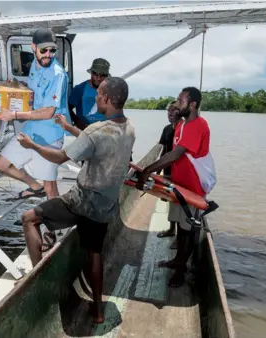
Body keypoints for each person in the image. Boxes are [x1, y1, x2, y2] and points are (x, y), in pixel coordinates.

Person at [17, 77, 136, 324]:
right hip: (105, 207)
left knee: (28, 219)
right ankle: (99, 311)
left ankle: (40, 279)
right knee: (95, 254)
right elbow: (95, 140)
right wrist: (68, 127)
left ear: (107, 99)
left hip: (81, 202)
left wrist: (32, 145)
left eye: (99, 94)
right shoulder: (129, 129)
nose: (95, 97)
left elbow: (61, 157)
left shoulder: (98, 131)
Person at [0, 28, 71, 251]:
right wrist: (17, 88)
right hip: (30, 129)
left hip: (49, 135)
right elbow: (34, 94)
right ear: (33, 48)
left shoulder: (57, 73)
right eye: (44, 50)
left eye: (52, 50)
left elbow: (48, 111)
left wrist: (14, 115)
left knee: (51, 188)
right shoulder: (35, 66)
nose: (48, 54)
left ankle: (52, 232)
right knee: (0, 164)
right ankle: (32, 185)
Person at [135, 86, 215, 288]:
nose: (177, 104)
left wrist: (148, 171)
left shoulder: (199, 125)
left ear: (193, 104)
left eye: (181, 101)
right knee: (181, 227)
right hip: (179, 186)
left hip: (193, 189)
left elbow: (177, 154)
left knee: (188, 231)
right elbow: (170, 153)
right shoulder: (180, 126)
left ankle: (181, 270)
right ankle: (177, 261)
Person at [156, 101, 180, 246]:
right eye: (168, 111)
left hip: (180, 173)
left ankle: (179, 236)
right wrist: (157, 171)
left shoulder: (183, 129)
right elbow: (164, 151)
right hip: (168, 171)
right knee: (170, 202)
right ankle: (171, 229)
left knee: (178, 204)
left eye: (173, 111)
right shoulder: (167, 129)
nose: (170, 114)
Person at [68, 58, 111, 130]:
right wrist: (78, 123)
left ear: (106, 76)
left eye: (102, 75)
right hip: (84, 131)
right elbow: (68, 109)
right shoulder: (80, 89)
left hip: (105, 131)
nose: (98, 78)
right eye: (95, 74)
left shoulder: (110, 90)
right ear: (91, 73)